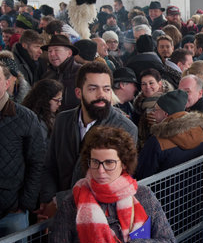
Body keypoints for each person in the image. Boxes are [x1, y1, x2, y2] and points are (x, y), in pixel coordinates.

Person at [48, 126, 175, 243]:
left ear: (123, 163)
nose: (100, 171)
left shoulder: (143, 196)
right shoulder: (72, 204)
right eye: (95, 162)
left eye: (109, 163)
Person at [39, 62, 138, 211]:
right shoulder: (62, 120)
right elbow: (50, 165)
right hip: (60, 216)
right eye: (93, 89)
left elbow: (111, 182)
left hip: (99, 214)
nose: (101, 95)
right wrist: (48, 200)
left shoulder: (125, 128)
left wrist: (58, 202)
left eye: (106, 89)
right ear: (78, 93)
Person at [0, 62, 46, 243]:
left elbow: (37, 161)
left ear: (8, 83)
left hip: (12, 212)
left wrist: (25, 203)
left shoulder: (25, 117)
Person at [136, 89, 203, 178]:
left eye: (156, 110)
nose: (153, 113)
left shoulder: (157, 141)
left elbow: (142, 174)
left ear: (165, 114)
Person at [41, 34, 81, 111]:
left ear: (69, 53)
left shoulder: (81, 73)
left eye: (56, 50)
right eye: (49, 51)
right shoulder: (46, 76)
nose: (52, 54)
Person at [22, 78, 64, 144]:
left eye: (61, 100)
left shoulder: (50, 116)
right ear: (45, 99)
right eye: (57, 100)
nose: (59, 103)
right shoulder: (35, 121)